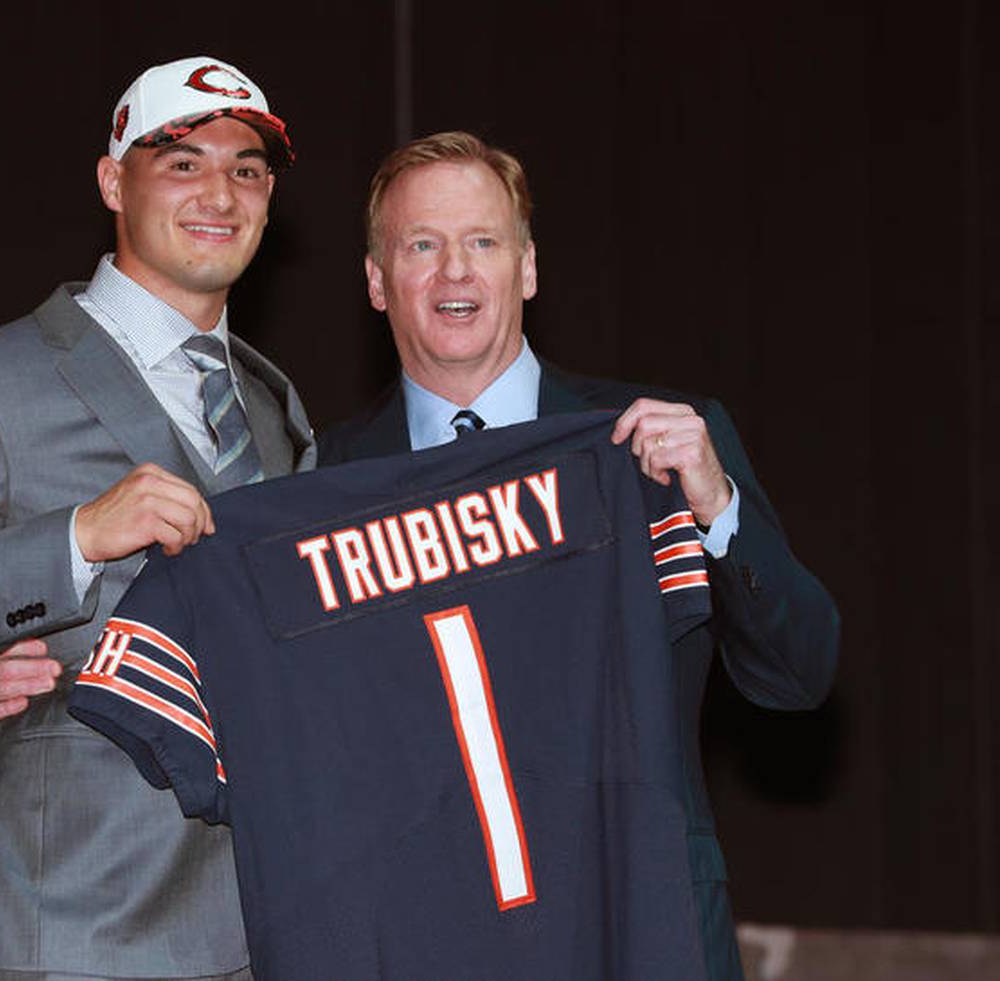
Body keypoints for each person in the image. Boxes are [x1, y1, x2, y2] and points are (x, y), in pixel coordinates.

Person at [0, 56, 315, 981]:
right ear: (111, 181)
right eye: (182, 162)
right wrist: (75, 541)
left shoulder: (270, 405)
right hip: (75, 927)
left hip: (265, 922)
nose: (221, 190)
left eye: (247, 168)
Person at [318, 131, 840, 981]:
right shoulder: (326, 479)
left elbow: (802, 672)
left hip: (641, 927)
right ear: (378, 281)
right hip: (426, 942)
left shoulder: (657, 447)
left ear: (526, 268)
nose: (455, 272)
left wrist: (716, 506)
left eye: (482, 241)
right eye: (422, 245)